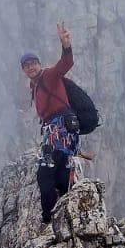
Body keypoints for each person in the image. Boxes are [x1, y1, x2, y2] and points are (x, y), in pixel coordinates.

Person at [21, 22, 78, 223]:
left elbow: (66, 63)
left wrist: (66, 44)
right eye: (26, 66)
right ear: (24, 71)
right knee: (61, 176)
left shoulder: (49, 75)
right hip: (62, 131)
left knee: (44, 174)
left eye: (33, 63)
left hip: (59, 129)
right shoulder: (34, 86)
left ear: (39, 63)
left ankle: (48, 220)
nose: (31, 67)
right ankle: (68, 216)